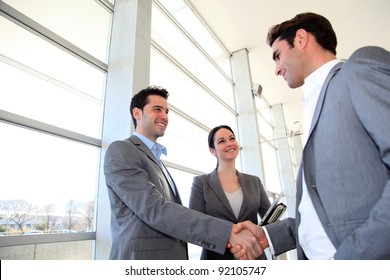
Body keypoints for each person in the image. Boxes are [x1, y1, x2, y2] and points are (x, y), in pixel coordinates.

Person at [233, 12, 390, 260]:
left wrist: (357, 257)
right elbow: (320, 213)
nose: (275, 69)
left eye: (277, 55)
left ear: (301, 38)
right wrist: (269, 236)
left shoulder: (358, 70)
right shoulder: (311, 103)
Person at [104, 86, 262, 260]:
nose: (164, 116)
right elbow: (154, 209)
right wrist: (227, 233)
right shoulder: (122, 150)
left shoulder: (156, 161)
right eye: (157, 109)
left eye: (166, 111)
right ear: (137, 113)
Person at [189, 125, 271, 260]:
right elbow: (195, 225)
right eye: (221, 141)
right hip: (217, 259)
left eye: (232, 138)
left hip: (253, 257)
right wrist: (228, 237)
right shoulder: (201, 183)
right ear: (212, 151)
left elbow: (269, 220)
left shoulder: (254, 182)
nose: (229, 143)